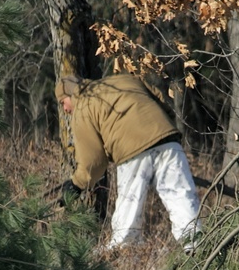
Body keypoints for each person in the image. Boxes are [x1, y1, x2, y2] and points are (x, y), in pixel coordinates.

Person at [55, 73, 201, 250]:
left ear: (71, 95)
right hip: (167, 141)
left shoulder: (84, 106)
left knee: (128, 218)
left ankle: (126, 269)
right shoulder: (124, 79)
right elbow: (162, 101)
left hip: (133, 154)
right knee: (181, 197)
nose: (65, 109)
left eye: (63, 102)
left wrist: (76, 184)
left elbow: (93, 161)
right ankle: (196, 249)